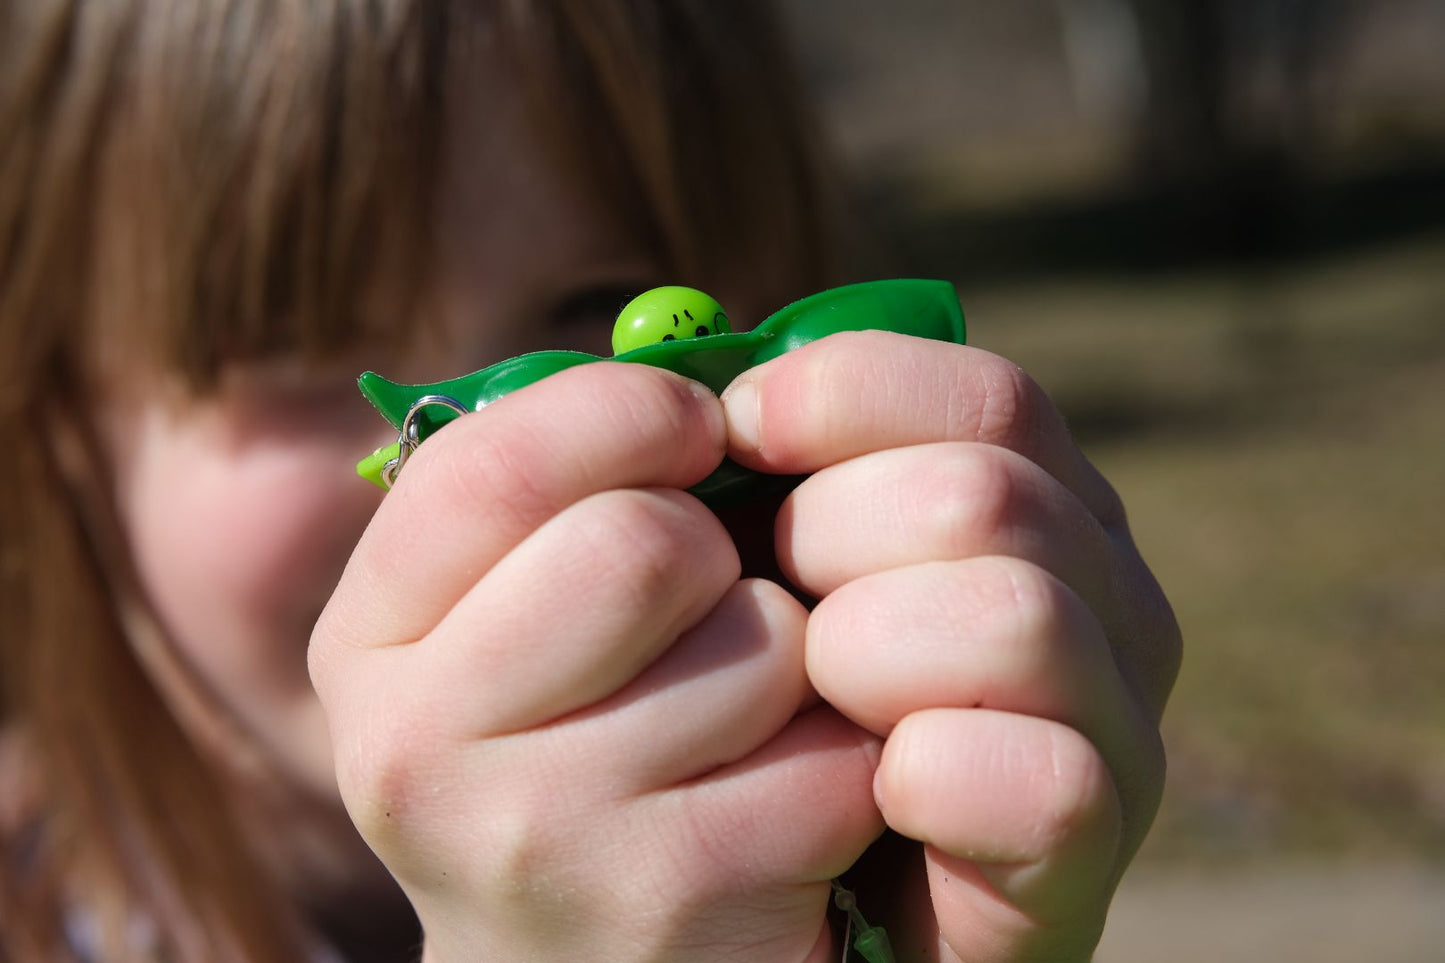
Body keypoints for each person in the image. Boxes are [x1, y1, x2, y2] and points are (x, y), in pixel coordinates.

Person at [0, 1, 1181, 961]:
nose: (489, 471)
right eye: (296, 349)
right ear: (66, 434)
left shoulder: (875, 864)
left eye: (596, 308)